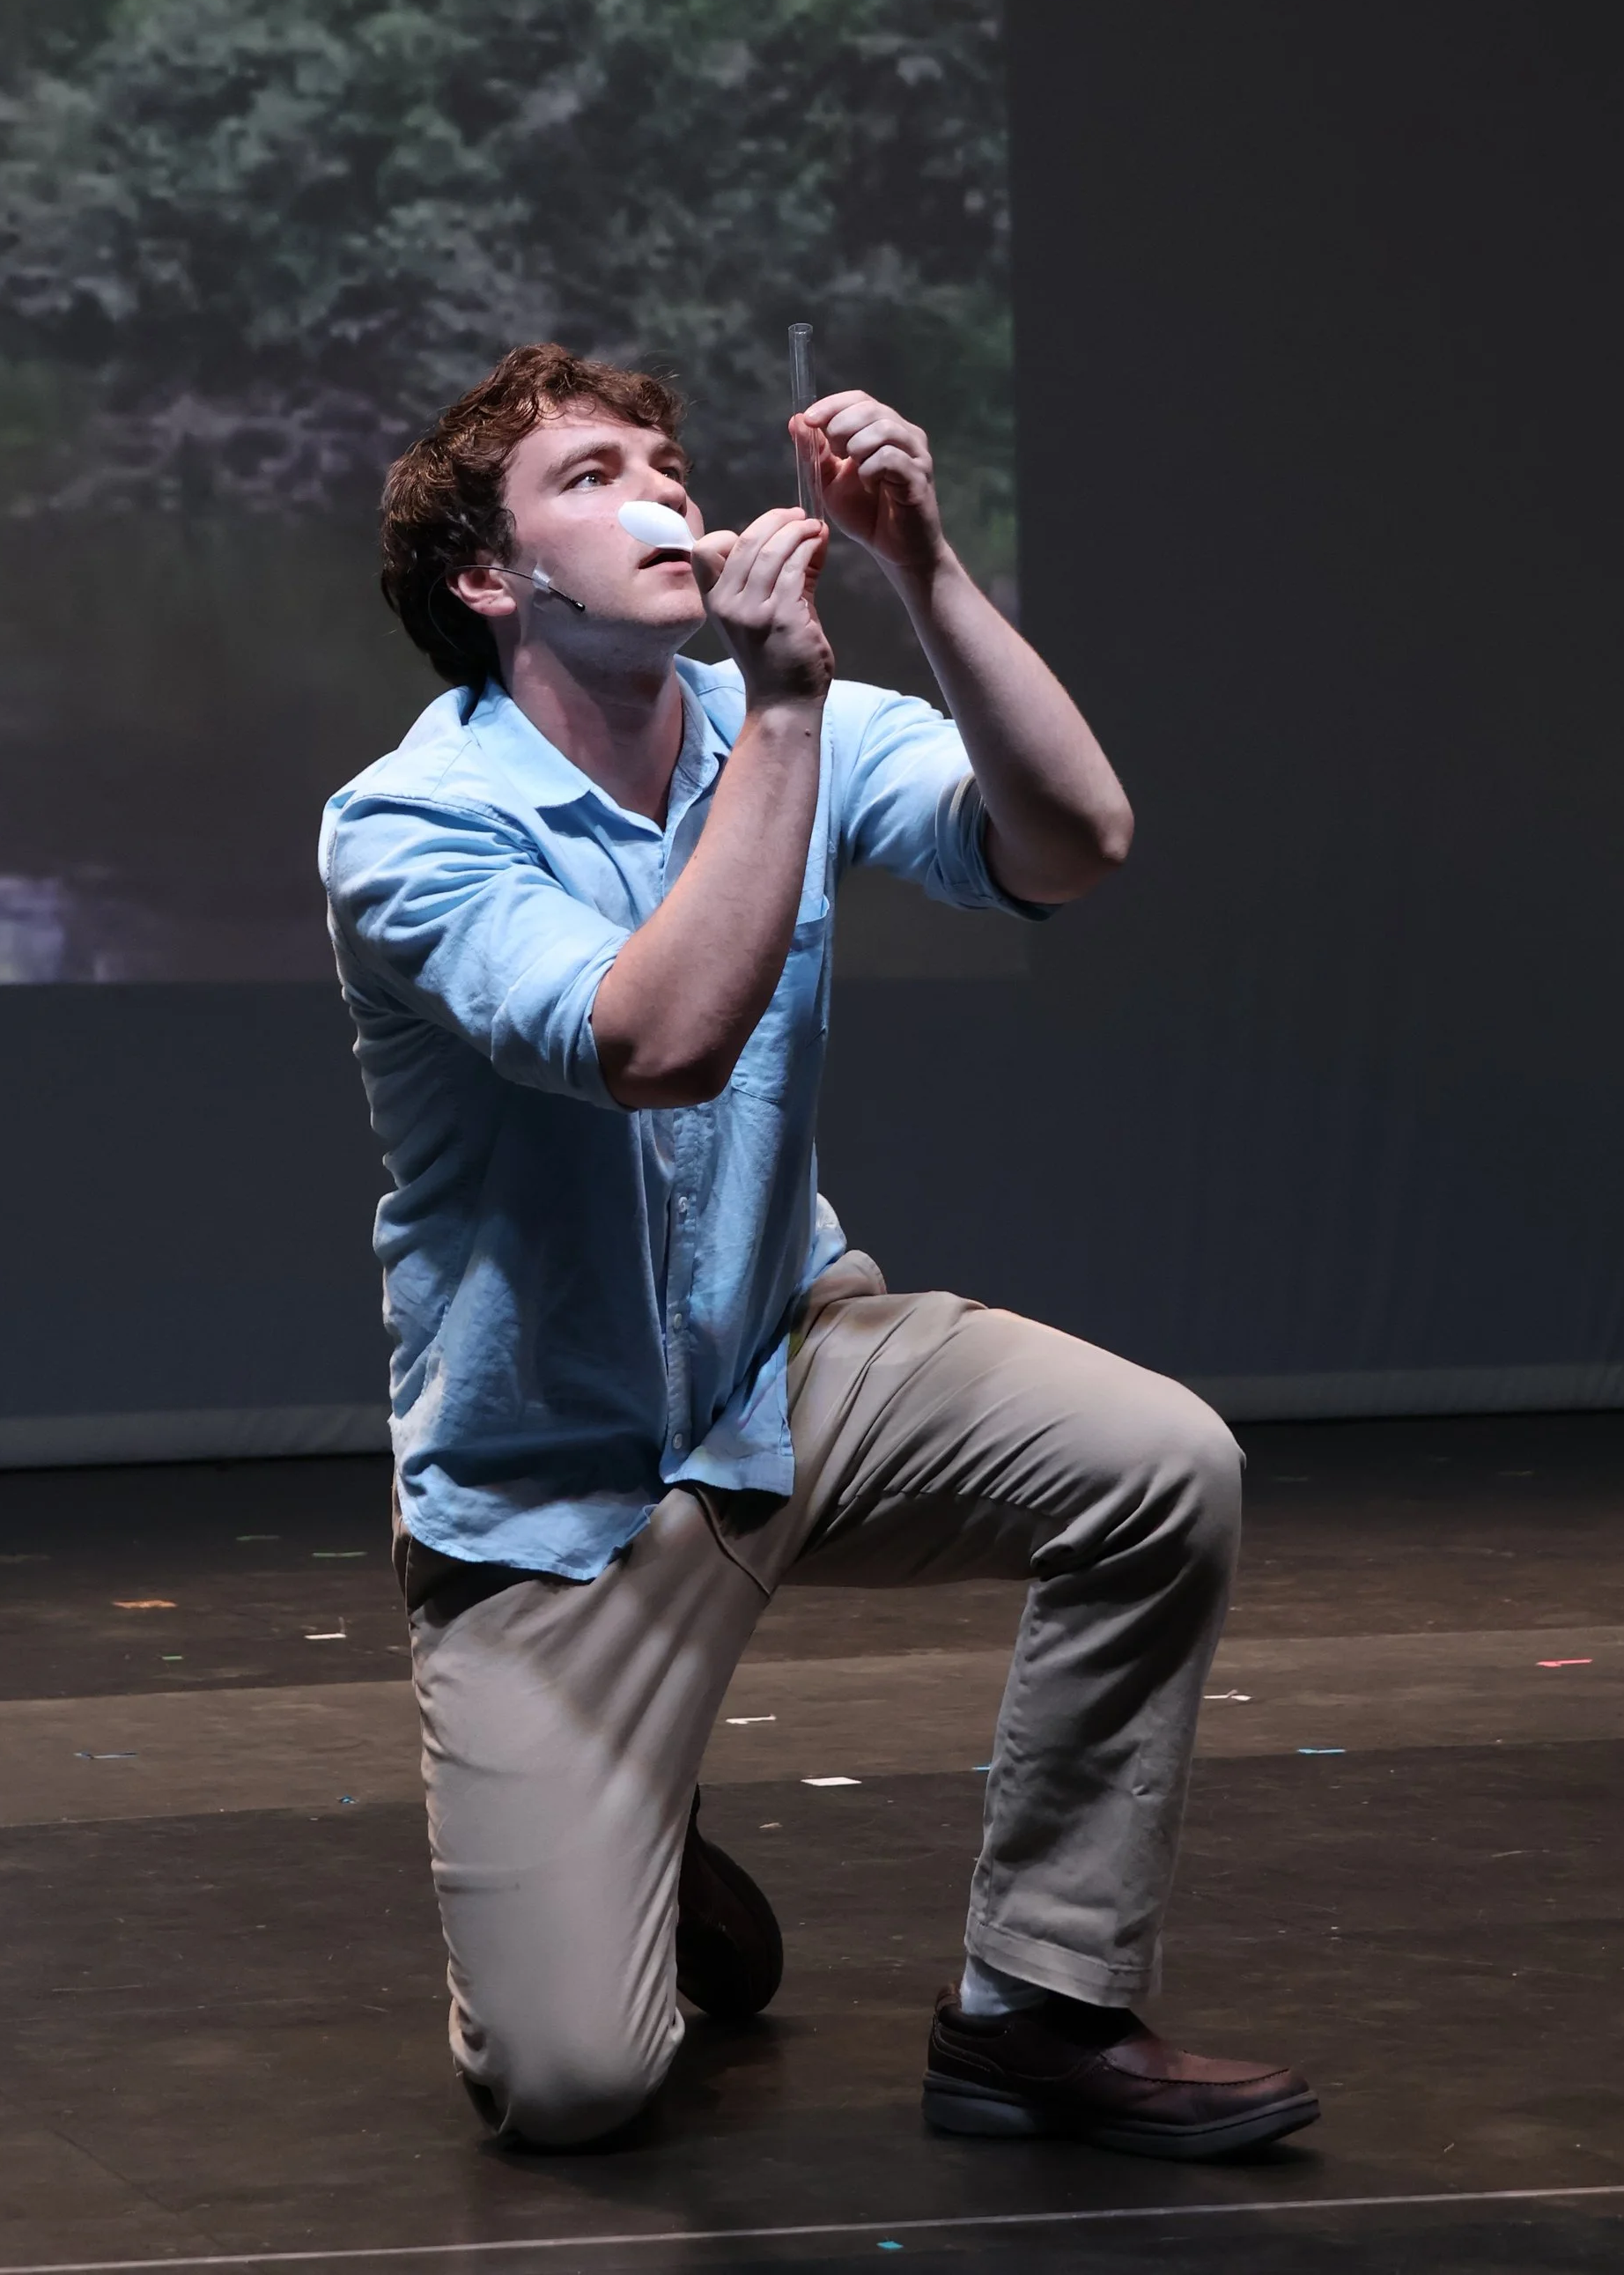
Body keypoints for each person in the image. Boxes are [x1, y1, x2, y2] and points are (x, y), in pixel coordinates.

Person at [320, 342, 1316, 2161]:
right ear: (490, 576)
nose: (660, 493)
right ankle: (631, 1822)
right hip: (558, 1486)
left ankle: (1036, 2014)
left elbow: (1072, 840)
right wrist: (782, 712)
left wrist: (921, 569)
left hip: (795, 1367)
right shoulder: (410, 825)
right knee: (571, 2090)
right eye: (592, 476)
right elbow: (654, 1041)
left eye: (667, 462)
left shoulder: (792, 721)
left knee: (1160, 1465)